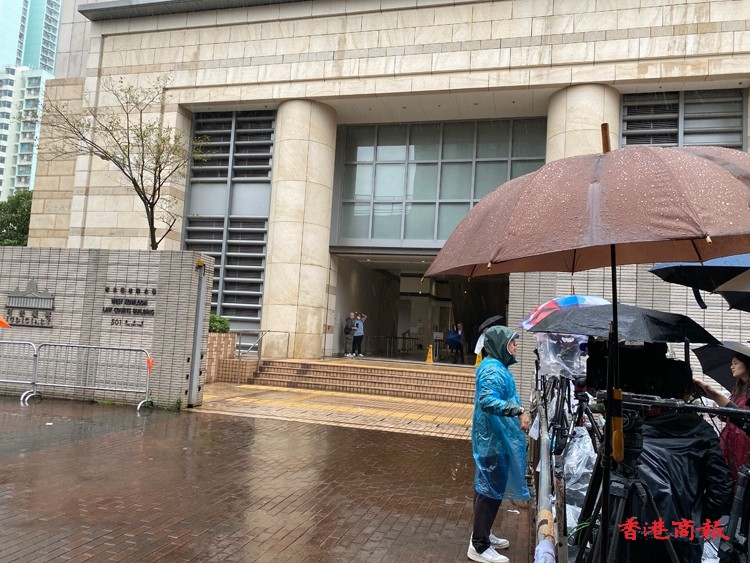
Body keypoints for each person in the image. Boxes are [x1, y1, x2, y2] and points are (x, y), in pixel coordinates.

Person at [631, 359, 733, 563]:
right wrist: (700, 518)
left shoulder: (632, 431)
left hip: (637, 531)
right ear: (688, 392)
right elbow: (721, 487)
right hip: (685, 535)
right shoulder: (702, 432)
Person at [468, 326, 530, 563]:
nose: (516, 347)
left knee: (488, 489)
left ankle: (483, 534)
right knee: (488, 491)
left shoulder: (496, 367)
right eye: (512, 343)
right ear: (500, 345)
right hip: (492, 440)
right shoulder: (493, 369)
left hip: (495, 438)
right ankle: (479, 546)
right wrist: (518, 410)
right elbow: (487, 401)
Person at [694, 352, 750, 482]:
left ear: (747, 364)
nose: (732, 366)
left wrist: (713, 393)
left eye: (736, 363)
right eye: (731, 363)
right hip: (729, 438)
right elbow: (728, 414)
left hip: (743, 440)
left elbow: (741, 416)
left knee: (740, 477)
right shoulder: (737, 390)